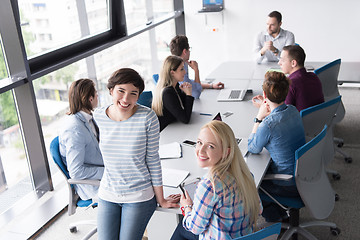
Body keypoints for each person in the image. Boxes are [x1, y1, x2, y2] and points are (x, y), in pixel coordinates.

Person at [94, 68, 180, 240]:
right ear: (111, 91)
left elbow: (153, 160)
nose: (126, 99)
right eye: (121, 91)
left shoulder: (147, 118)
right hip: (108, 192)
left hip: (139, 195)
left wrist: (161, 199)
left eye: (133, 93)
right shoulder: (98, 116)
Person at [171, 120, 262, 240]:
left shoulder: (209, 185)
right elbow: (259, 209)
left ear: (226, 152)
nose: (201, 150)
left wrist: (186, 207)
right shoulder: (246, 174)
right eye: (199, 142)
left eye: (210, 146)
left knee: (183, 226)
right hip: (243, 235)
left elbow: (195, 228)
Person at [248, 71, 305, 222]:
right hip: (304, 177)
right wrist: (267, 107)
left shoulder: (268, 124)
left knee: (251, 188)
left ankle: (277, 219)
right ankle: (281, 211)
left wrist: (258, 118)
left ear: (265, 94)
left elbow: (253, 148)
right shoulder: (293, 110)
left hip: (287, 184)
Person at [59, 78, 104, 201]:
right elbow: (76, 172)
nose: (97, 97)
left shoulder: (88, 117)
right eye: (96, 94)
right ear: (90, 98)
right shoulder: (74, 130)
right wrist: (107, 171)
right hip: (92, 184)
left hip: (102, 167)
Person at [152, 55, 194, 131]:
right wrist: (188, 95)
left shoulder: (175, 86)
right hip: (166, 133)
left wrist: (184, 92)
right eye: (181, 69)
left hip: (173, 128)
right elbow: (185, 119)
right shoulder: (167, 93)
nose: (185, 72)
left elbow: (184, 109)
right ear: (172, 73)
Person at [279, 45, 324, 111]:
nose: (279, 63)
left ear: (293, 63)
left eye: (282, 60)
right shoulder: (314, 76)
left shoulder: (289, 84)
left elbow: (284, 114)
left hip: (299, 120)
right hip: (318, 119)